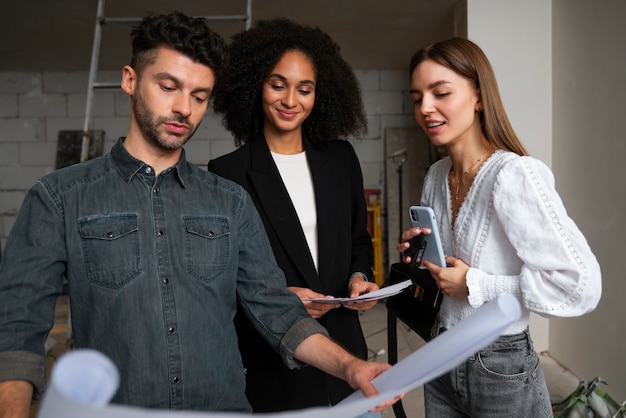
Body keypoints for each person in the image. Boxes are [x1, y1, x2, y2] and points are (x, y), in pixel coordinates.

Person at [0, 12, 396, 417]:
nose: (183, 108)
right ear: (130, 80)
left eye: (199, 95)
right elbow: (16, 330)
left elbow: (277, 310)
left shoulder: (230, 201)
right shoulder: (59, 197)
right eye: (168, 86)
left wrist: (351, 367)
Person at [398, 37, 601, 417]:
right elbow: (445, 273)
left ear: (478, 96)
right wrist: (419, 257)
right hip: (440, 354)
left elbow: (580, 286)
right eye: (416, 97)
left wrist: (476, 283)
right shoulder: (436, 175)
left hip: (499, 365)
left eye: (441, 93)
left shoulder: (514, 176)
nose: (425, 108)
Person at [208, 18, 381, 414]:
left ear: (320, 95)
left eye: (305, 89)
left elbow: (358, 239)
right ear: (255, 85)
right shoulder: (228, 171)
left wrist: (359, 279)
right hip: (275, 358)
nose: (291, 101)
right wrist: (280, 299)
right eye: (278, 84)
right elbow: (225, 276)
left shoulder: (340, 159)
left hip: (346, 349)